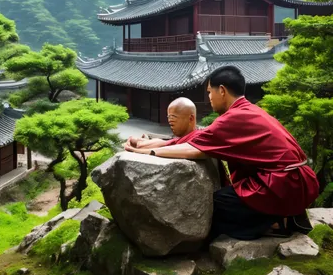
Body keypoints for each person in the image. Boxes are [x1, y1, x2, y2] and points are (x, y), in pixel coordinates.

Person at [124, 66, 318, 240]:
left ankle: (276, 222)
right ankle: (281, 215)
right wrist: (153, 143)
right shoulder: (249, 110)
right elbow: (199, 139)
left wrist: (150, 152)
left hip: (282, 185)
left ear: (222, 91)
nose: (208, 98)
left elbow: (196, 147)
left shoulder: (233, 118)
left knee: (213, 206)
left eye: (210, 92)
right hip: (291, 182)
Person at [125, 97, 198, 149]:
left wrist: (138, 144)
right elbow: (169, 141)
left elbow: (166, 144)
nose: (170, 120)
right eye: (168, 116)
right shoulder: (181, 138)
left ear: (191, 118)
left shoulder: (197, 138)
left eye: (173, 116)